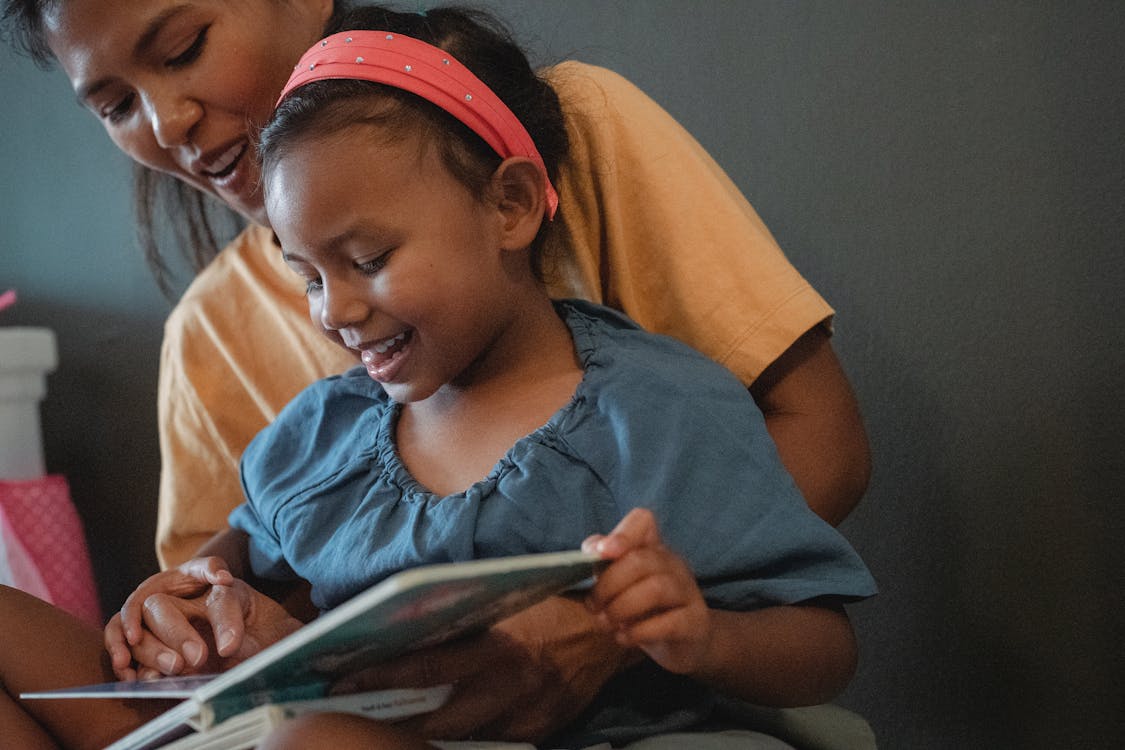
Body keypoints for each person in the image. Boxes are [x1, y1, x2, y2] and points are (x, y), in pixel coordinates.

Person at [1, 0, 871, 742]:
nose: (165, 123)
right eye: (114, 104)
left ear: (515, 203)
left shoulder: (642, 397)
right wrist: (191, 605)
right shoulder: (291, 400)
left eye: (184, 47)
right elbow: (241, 576)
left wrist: (613, 625)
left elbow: (810, 508)